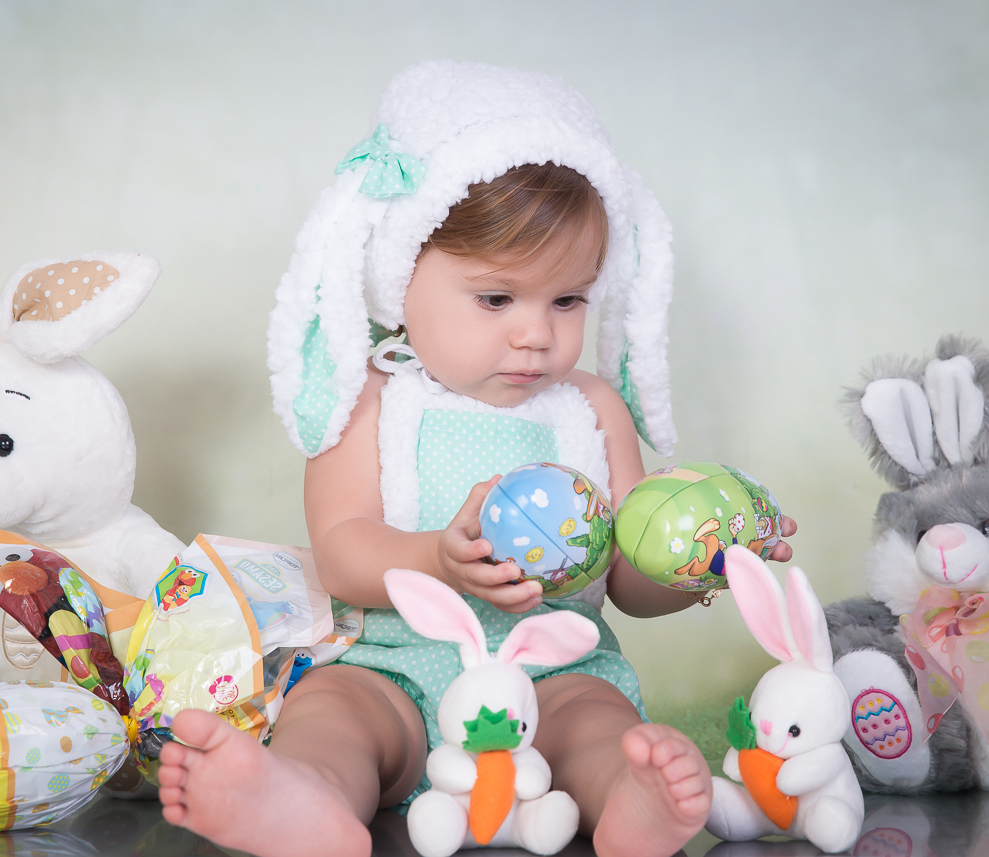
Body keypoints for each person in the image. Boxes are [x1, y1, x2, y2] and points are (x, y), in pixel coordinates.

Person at [157, 60, 794, 857]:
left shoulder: (592, 409)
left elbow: (628, 582)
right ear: (401, 278)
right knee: (334, 713)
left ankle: (627, 798)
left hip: (550, 675)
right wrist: (438, 558)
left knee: (595, 722)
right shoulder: (373, 398)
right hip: (393, 669)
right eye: (497, 298)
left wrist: (705, 561)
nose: (536, 334)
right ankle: (305, 794)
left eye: (568, 299)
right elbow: (342, 550)